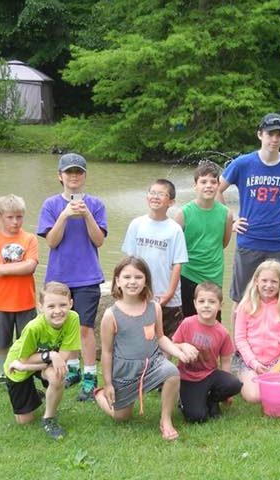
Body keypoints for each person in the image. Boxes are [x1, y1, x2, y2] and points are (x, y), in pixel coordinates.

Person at [218, 113, 280, 315]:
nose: (275, 139)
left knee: (279, 300)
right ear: (260, 135)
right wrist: (232, 219)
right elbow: (216, 189)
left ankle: (276, 345)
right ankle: (239, 347)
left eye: (279, 134)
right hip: (249, 241)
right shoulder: (243, 163)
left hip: (278, 242)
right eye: (270, 134)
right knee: (242, 300)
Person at [93, 256, 198, 441]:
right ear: (117, 281)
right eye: (126, 277)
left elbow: (160, 338)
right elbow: (107, 352)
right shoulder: (111, 315)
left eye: (138, 277)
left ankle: (165, 420)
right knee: (121, 417)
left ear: (146, 281)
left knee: (172, 372)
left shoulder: (154, 308)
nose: (132, 282)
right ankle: (100, 394)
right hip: (125, 372)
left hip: (152, 365)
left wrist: (178, 352)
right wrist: (108, 383)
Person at [37, 153, 107, 401]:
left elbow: (98, 240)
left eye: (78, 172)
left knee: (85, 329)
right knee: (65, 327)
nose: (73, 176)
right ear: (60, 176)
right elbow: (52, 241)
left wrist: (86, 214)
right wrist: (65, 215)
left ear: (85, 175)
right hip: (59, 278)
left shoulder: (96, 204)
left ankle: (90, 377)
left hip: (88, 277)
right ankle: (73, 370)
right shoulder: (51, 205)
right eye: (69, 172)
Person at [4, 282, 81, 439]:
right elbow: (25, 359)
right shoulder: (34, 327)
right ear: (41, 307)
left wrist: (51, 357)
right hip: (19, 363)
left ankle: (49, 419)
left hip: (33, 364)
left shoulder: (73, 319)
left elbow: (63, 358)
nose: (58, 311)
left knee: (58, 376)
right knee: (25, 421)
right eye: (51, 306)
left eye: (63, 305)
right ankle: (34, 393)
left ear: (71, 304)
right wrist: (50, 356)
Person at [122, 179, 189, 338]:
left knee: (166, 339)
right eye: (152, 193)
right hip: (139, 292)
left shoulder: (175, 229)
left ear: (171, 202)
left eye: (161, 194)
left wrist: (169, 294)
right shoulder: (136, 224)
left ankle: (164, 363)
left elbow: (177, 264)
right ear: (147, 197)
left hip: (166, 296)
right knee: (140, 337)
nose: (155, 197)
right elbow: (129, 260)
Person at [0, 194, 39, 382]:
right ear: (0, 217)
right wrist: (20, 267)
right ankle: (4, 372)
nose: (15, 221)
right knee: (2, 341)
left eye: (19, 217)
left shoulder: (30, 238)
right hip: (2, 301)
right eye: (10, 217)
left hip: (26, 301)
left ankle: (26, 369)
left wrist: (7, 268)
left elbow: (31, 266)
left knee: (27, 339)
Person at [171, 282, 242, 423]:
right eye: (201, 301)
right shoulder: (187, 323)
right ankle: (184, 399)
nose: (206, 305)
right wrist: (183, 346)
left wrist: (227, 394)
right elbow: (172, 345)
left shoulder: (222, 332)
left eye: (212, 302)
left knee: (235, 384)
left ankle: (212, 400)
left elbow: (226, 361)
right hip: (188, 377)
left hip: (210, 374)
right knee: (197, 417)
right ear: (195, 304)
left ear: (220, 306)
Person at [233, 259, 280, 404]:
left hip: (277, 362)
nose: (268, 285)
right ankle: (243, 376)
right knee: (254, 397)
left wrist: (278, 366)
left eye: (274, 281)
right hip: (250, 361)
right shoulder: (245, 306)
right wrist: (254, 363)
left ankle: (272, 380)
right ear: (256, 281)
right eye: (264, 280)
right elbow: (240, 339)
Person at [174, 161, 233, 319]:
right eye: (203, 182)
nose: (209, 186)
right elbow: (174, 248)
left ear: (218, 185)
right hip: (188, 274)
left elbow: (224, 243)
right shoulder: (183, 213)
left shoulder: (226, 213)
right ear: (195, 185)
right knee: (188, 320)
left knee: (213, 322)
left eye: (213, 182)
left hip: (213, 276)